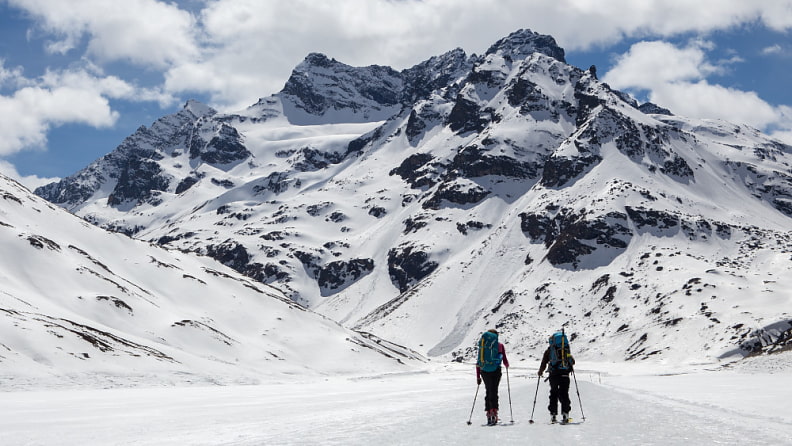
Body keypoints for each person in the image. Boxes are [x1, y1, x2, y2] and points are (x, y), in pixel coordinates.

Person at [538, 331, 575, 424]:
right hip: (565, 374)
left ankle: (553, 414)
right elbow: (572, 361)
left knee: (553, 393)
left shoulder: (550, 350)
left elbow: (544, 363)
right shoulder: (566, 349)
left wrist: (540, 371)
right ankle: (565, 413)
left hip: (553, 375)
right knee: (564, 393)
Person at [476, 329, 509, 425]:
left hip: (484, 370)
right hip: (496, 370)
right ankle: (494, 412)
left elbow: (478, 361)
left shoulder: (483, 346)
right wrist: (506, 365)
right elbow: (504, 359)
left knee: (488, 390)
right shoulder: (500, 345)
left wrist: (478, 376)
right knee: (494, 391)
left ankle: (489, 413)